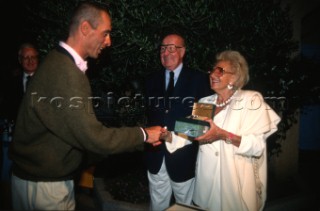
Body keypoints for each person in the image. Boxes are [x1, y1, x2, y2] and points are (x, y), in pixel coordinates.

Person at [9, 2, 163, 210]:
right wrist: (143, 135)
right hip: (45, 188)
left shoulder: (56, 60)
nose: (108, 41)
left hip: (31, 180)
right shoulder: (67, 73)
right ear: (84, 28)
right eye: (105, 33)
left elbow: (73, 132)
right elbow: (94, 138)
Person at [162, 50, 281, 211]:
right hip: (207, 181)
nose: (212, 74)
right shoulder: (205, 102)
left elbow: (257, 146)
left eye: (220, 71)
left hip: (234, 180)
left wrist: (222, 135)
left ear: (234, 77)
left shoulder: (250, 99)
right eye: (212, 70)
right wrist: (168, 136)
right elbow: (192, 132)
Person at [144, 33, 212, 210]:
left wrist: (173, 136)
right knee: (156, 205)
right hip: (155, 155)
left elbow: (203, 122)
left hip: (184, 157)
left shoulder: (199, 80)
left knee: (185, 207)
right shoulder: (151, 80)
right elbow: (150, 116)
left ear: (183, 52)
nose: (166, 52)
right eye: (163, 48)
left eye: (172, 48)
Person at [0, 42, 39, 122]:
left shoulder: (46, 80)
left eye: (33, 57)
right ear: (20, 60)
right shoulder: (10, 83)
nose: (30, 60)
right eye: (26, 58)